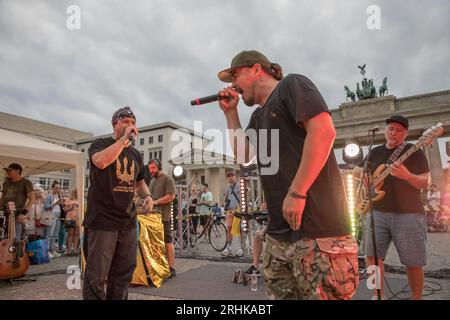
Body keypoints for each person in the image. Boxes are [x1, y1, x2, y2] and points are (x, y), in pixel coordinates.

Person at [217, 50, 358, 300]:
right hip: (279, 235)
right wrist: (230, 113)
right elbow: (243, 156)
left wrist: (298, 191)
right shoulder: (258, 116)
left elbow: (324, 132)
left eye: (236, 75)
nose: (233, 84)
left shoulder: (292, 85)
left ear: (256, 69)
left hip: (318, 231)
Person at [354, 115, 431, 300]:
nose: (393, 132)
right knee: (372, 258)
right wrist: (364, 177)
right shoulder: (376, 151)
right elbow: (357, 170)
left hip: (408, 214)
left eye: (398, 130)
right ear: (385, 130)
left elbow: (425, 182)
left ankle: (416, 297)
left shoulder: (414, 151)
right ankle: (377, 295)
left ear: (405, 133)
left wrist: (407, 175)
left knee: (413, 261)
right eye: (390, 128)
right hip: (377, 212)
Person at [82, 106, 153, 300]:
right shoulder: (100, 144)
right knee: (97, 275)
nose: (131, 125)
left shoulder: (136, 154)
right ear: (115, 124)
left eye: (133, 123)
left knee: (122, 274)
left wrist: (147, 196)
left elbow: (139, 182)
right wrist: (123, 141)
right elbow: (100, 162)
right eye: (126, 122)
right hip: (102, 220)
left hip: (127, 221)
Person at [147, 158, 176, 278]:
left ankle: (171, 268)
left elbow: (171, 196)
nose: (151, 170)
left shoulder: (167, 179)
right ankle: (158, 266)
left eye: (153, 168)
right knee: (155, 243)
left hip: (163, 216)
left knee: (168, 242)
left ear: (159, 167)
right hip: (152, 217)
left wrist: (156, 202)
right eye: (149, 168)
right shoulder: (152, 181)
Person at [0, 163, 34, 241]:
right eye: (7, 171)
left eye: (9, 170)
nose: (7, 172)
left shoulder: (26, 182)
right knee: (3, 236)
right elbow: (3, 198)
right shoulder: (6, 183)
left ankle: (14, 252)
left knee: (14, 238)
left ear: (17, 171)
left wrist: (24, 213)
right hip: (4, 213)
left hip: (17, 214)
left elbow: (32, 199)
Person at [221, 170, 243, 257]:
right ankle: (228, 248)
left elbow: (247, 194)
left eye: (232, 175)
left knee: (240, 230)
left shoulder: (240, 186)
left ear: (235, 176)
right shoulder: (228, 188)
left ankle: (242, 248)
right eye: (229, 176)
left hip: (238, 211)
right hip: (230, 211)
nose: (230, 177)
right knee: (229, 229)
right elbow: (226, 199)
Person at [44, 181, 64, 257]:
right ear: (52, 188)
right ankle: (47, 251)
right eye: (56, 188)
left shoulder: (59, 196)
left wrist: (62, 204)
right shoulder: (49, 196)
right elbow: (46, 207)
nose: (57, 190)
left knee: (55, 235)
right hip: (51, 216)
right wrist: (55, 204)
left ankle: (53, 250)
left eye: (59, 188)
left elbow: (60, 207)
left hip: (58, 216)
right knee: (49, 234)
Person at [63, 189, 80, 256]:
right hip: (70, 219)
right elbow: (65, 210)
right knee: (70, 234)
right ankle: (68, 250)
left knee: (76, 234)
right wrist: (71, 208)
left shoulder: (80, 199)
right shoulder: (68, 199)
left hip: (78, 219)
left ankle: (75, 249)